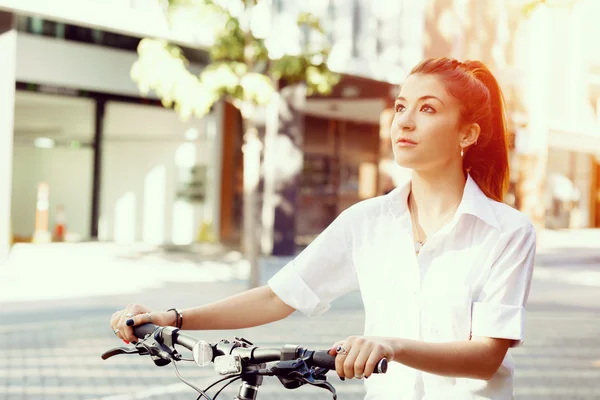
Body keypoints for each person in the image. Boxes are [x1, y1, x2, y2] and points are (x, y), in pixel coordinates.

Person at [110, 57, 536, 399]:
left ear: (468, 134)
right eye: (402, 106)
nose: (404, 121)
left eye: (428, 108)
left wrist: (391, 345)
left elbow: (485, 357)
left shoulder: (507, 232)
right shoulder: (367, 222)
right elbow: (278, 297)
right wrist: (174, 318)